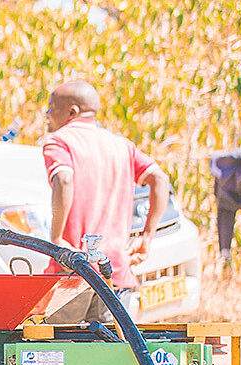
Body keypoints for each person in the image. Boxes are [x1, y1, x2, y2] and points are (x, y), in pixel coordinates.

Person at [41, 80, 170, 322]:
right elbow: (160, 179)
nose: (48, 116)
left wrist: (58, 239)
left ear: (72, 111)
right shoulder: (121, 145)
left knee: (58, 352)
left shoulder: (59, 141)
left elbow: (64, 180)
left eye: (51, 109)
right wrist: (147, 236)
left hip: (73, 272)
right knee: (108, 354)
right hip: (116, 274)